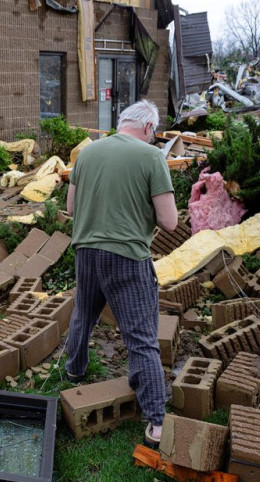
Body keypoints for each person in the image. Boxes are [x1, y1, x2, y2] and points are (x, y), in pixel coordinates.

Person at [64, 100, 178, 446]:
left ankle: (75, 369)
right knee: (142, 336)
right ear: (148, 128)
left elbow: (70, 208)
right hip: (127, 257)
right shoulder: (151, 157)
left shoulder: (87, 154)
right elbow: (169, 221)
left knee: (83, 314)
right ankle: (157, 422)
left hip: (86, 252)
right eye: (154, 133)